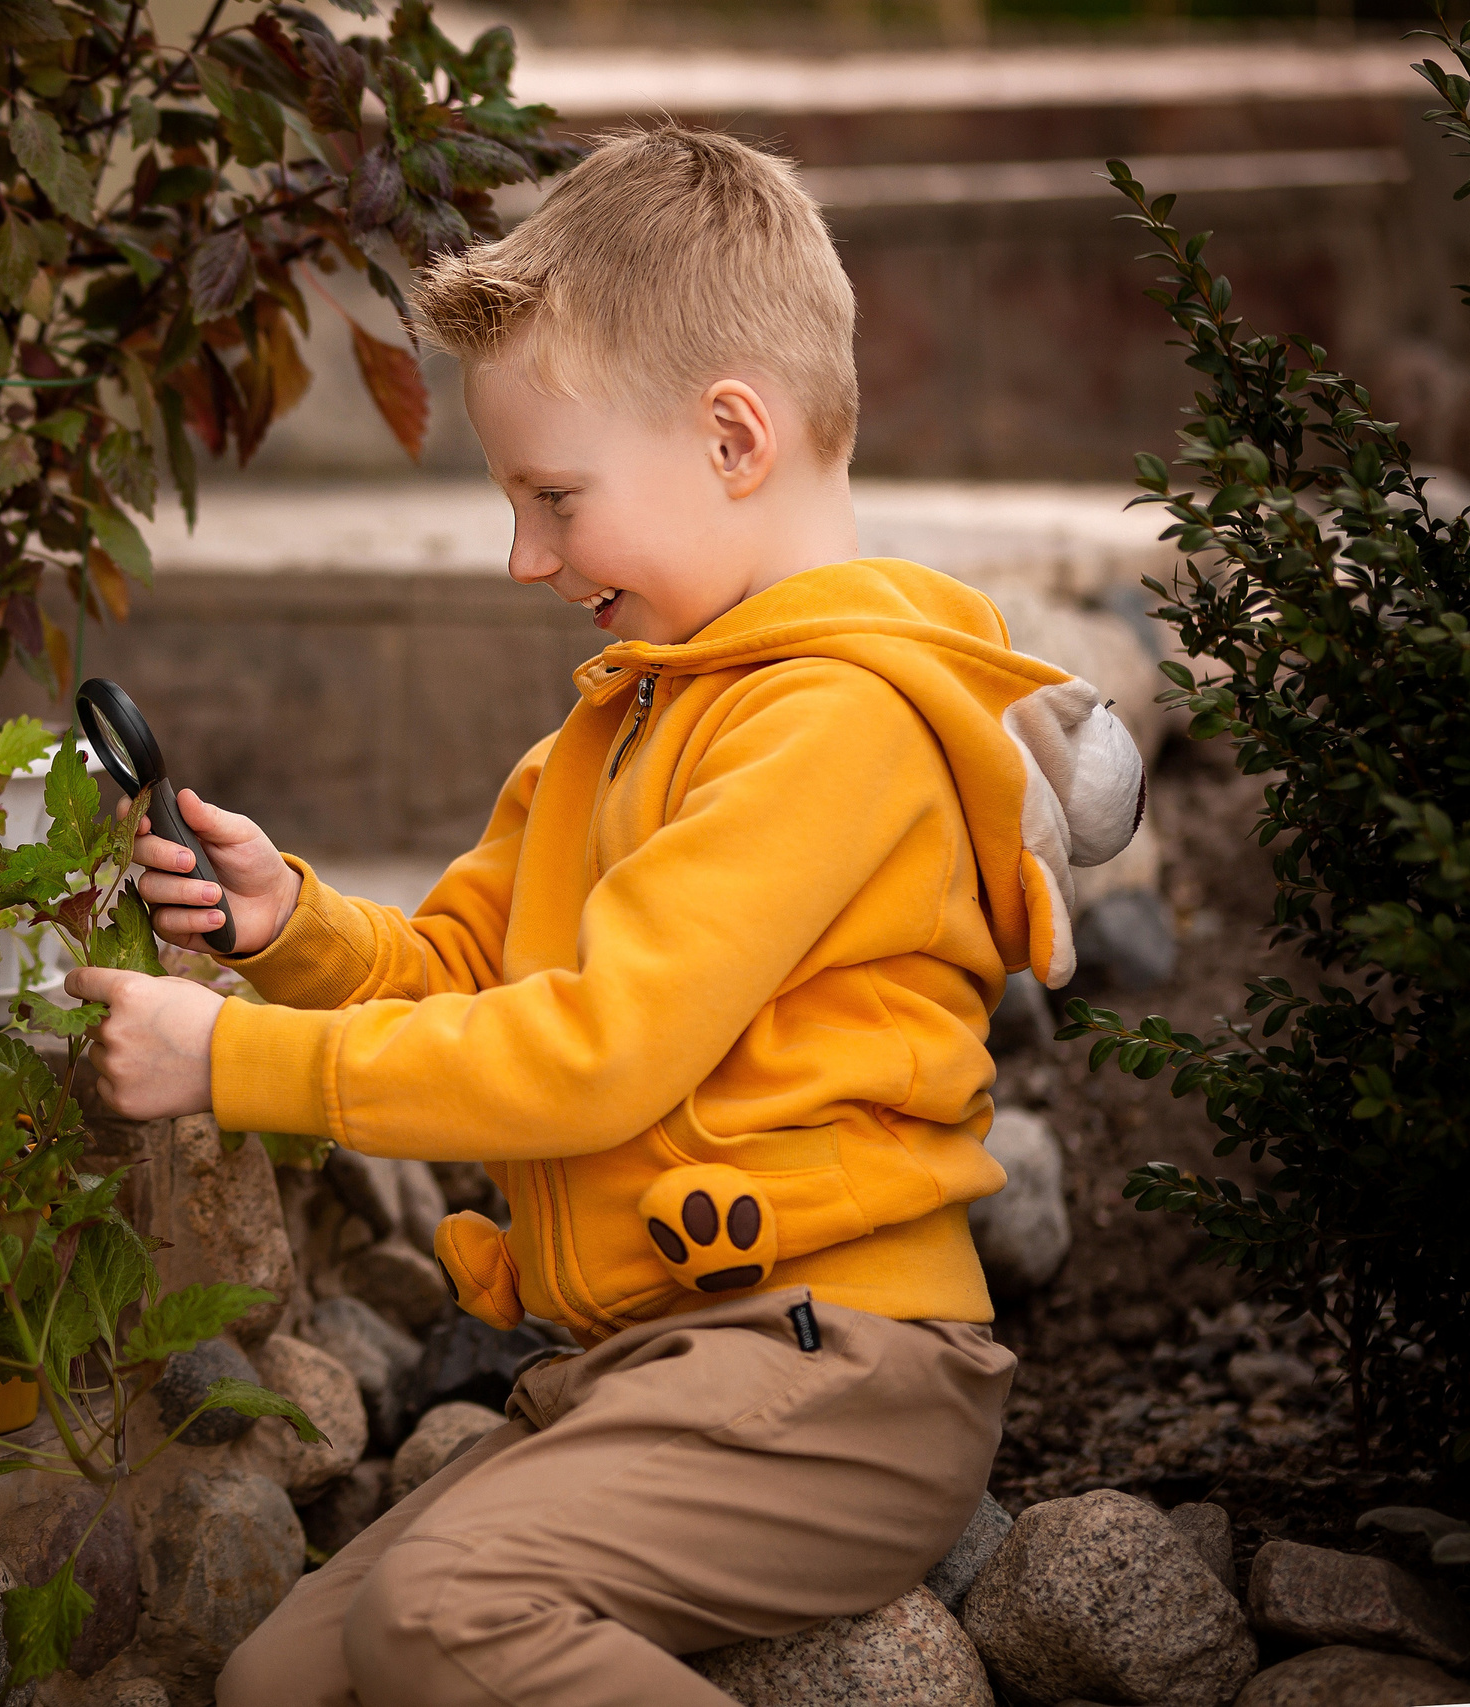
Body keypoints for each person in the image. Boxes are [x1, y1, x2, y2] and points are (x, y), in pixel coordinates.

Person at [64, 125, 1145, 1707]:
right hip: (646, 1376)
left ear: (732, 437)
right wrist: (288, 928)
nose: (524, 557)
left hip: (839, 1377)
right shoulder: (612, 731)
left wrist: (233, 1061)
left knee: (440, 1614)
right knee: (282, 1681)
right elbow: (454, 973)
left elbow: (596, 1055)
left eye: (554, 498)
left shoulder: (833, 730)